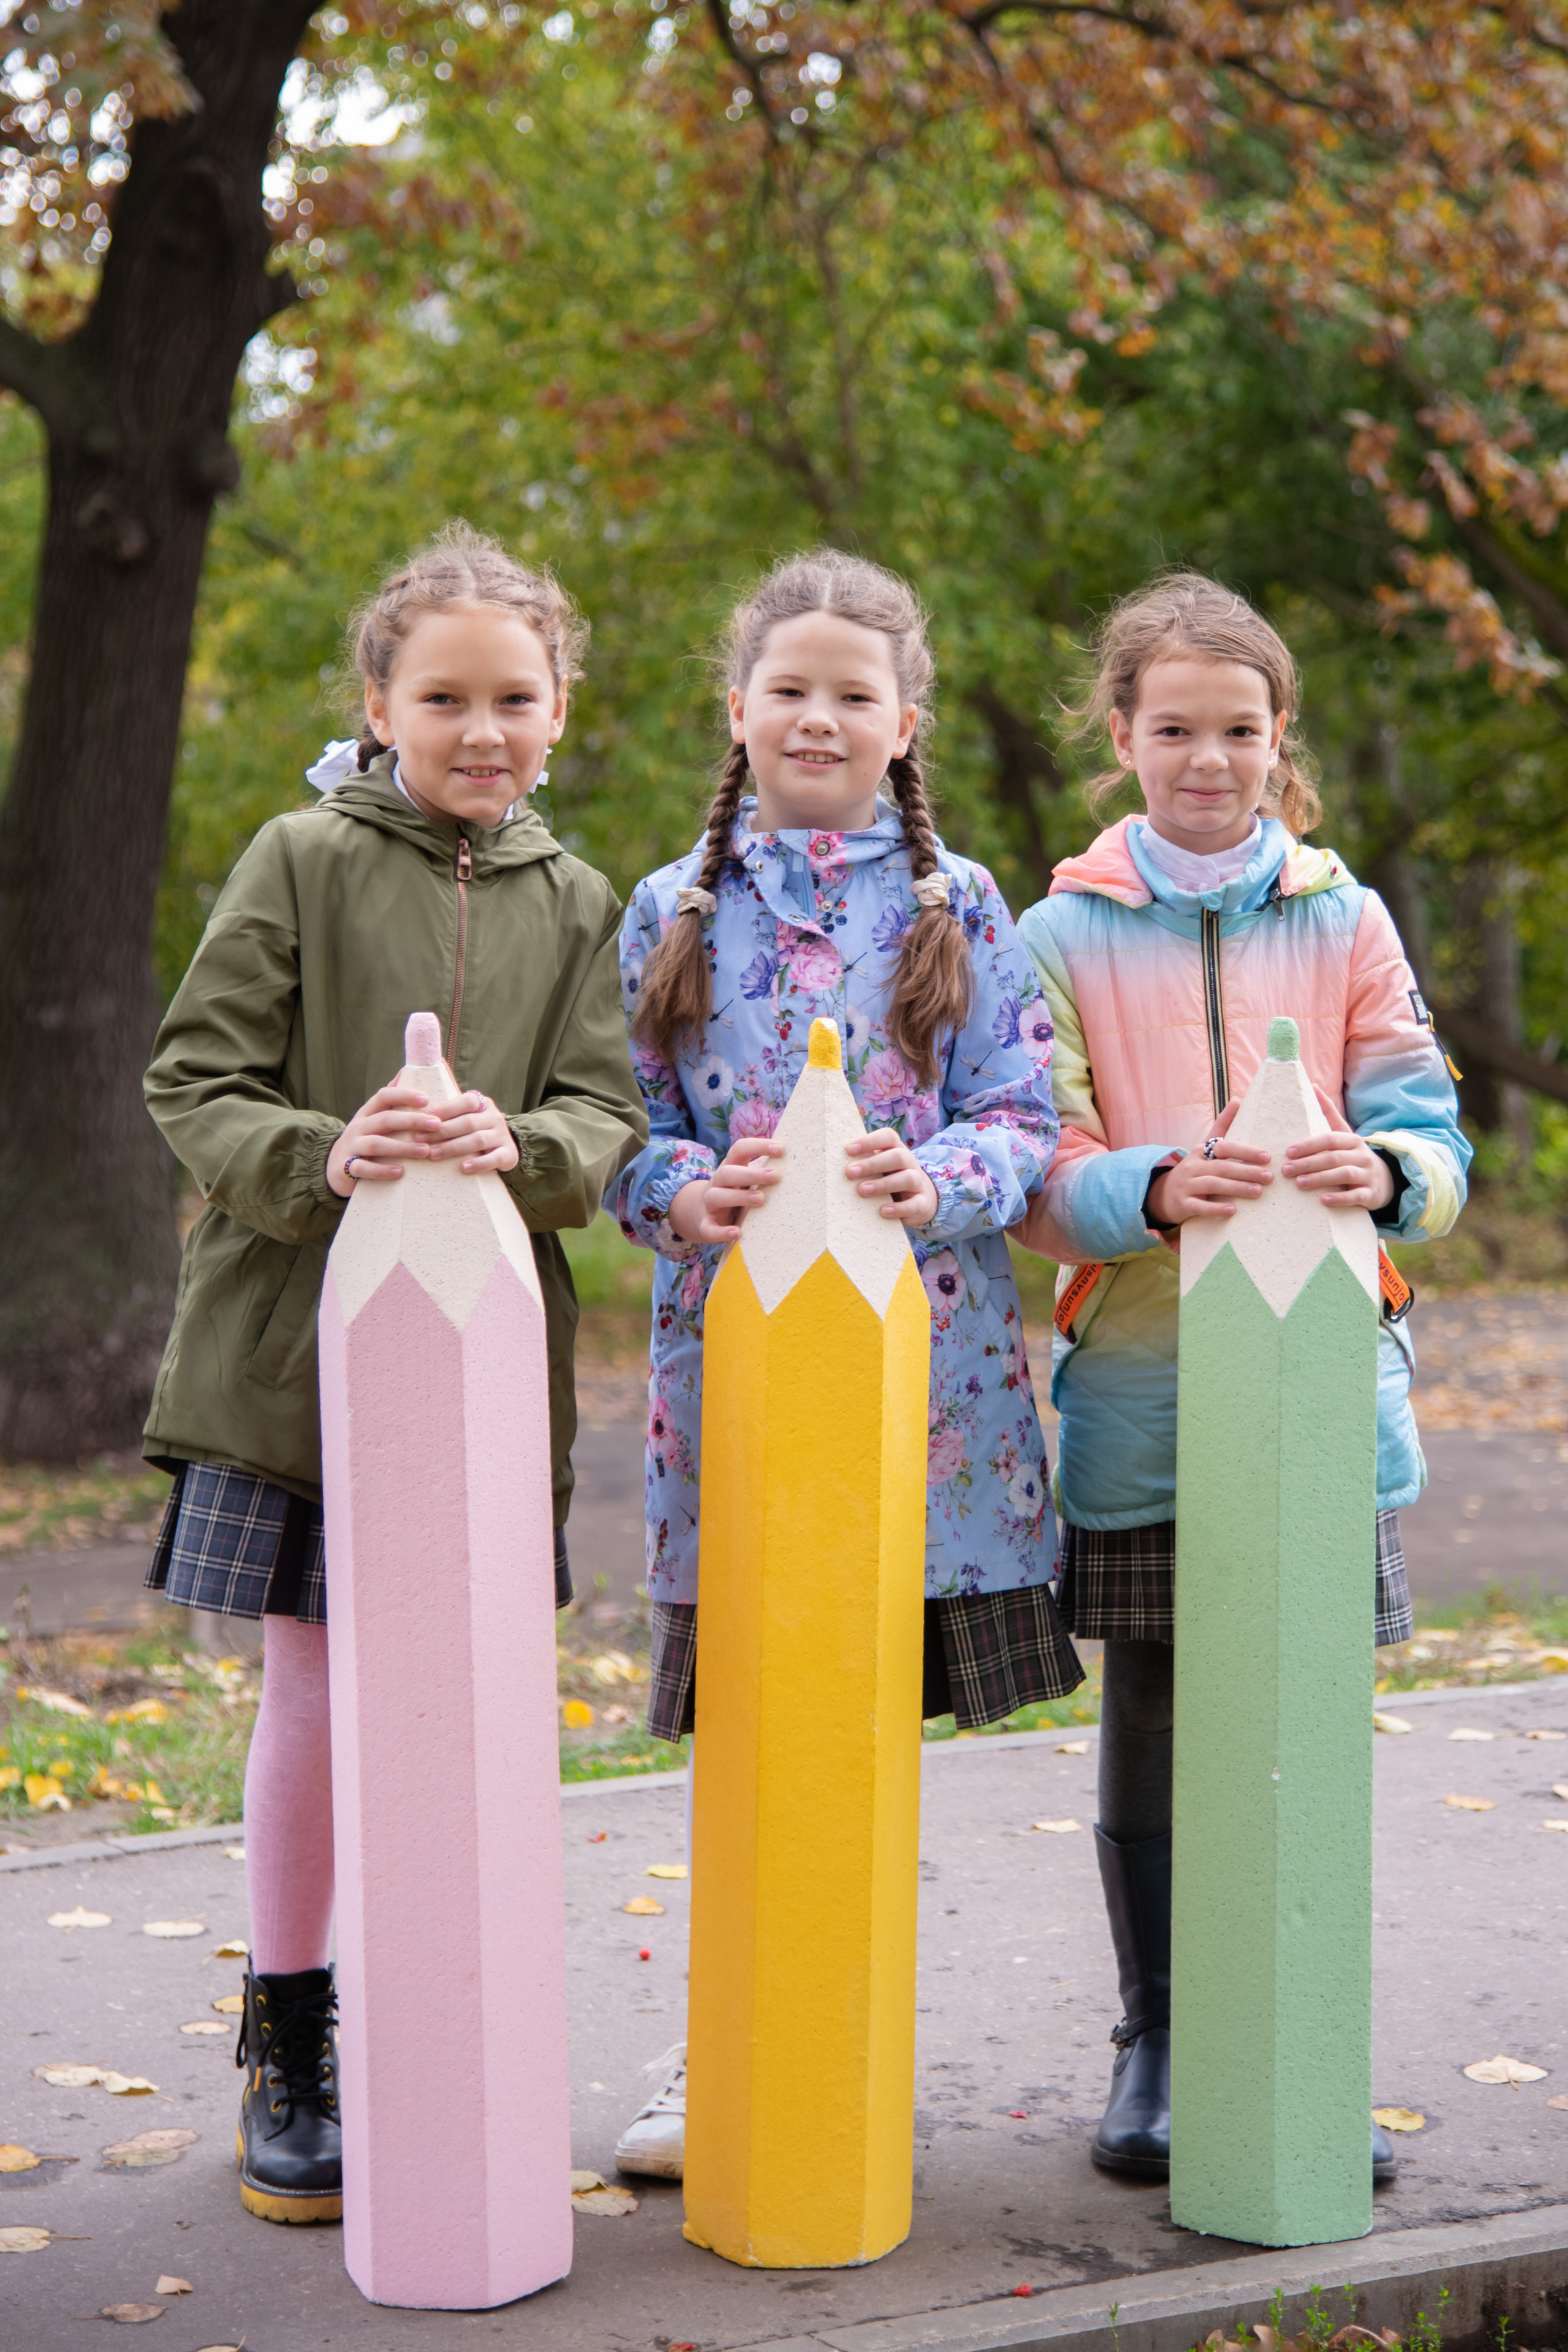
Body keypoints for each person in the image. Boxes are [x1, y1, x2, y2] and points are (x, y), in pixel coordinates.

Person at [139, 525, 648, 2223]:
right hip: (291, 1356)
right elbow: (194, 1077)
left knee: (461, 1703)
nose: (480, 730)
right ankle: (291, 2041)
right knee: (311, 1689)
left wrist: (527, 1145)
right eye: (443, 698)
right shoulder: (298, 856)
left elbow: (605, 1115)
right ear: (378, 705)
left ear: (560, 710)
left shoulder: (581, 902)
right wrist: (326, 1151)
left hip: (487, 1367)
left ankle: (439, 2023)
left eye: (514, 698)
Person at [608, 548, 1077, 2177]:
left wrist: (934, 1178)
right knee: (758, 1713)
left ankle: (842, 2031)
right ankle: (720, 2047)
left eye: (853, 693)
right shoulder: (669, 910)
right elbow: (622, 1131)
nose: (820, 715)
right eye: (790, 689)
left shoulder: (963, 906)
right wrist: (688, 1191)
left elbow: (1023, 1117)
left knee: (861, 1716)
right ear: (737, 710)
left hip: (925, 1386)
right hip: (736, 1373)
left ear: (904, 722)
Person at [1011, 571, 1470, 2186]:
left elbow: (1427, 1125)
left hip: (1326, 1386)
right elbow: (1035, 1163)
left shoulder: (1348, 920)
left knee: (1304, 1705)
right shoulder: (1056, 934)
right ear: (1122, 735)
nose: (1208, 760)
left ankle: (1299, 2025)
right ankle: (1158, 2040)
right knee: (1154, 1699)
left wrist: (1391, 1175)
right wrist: (1144, 1188)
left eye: (1240, 730)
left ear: (1281, 740)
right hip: (1145, 1385)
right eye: (1175, 730)